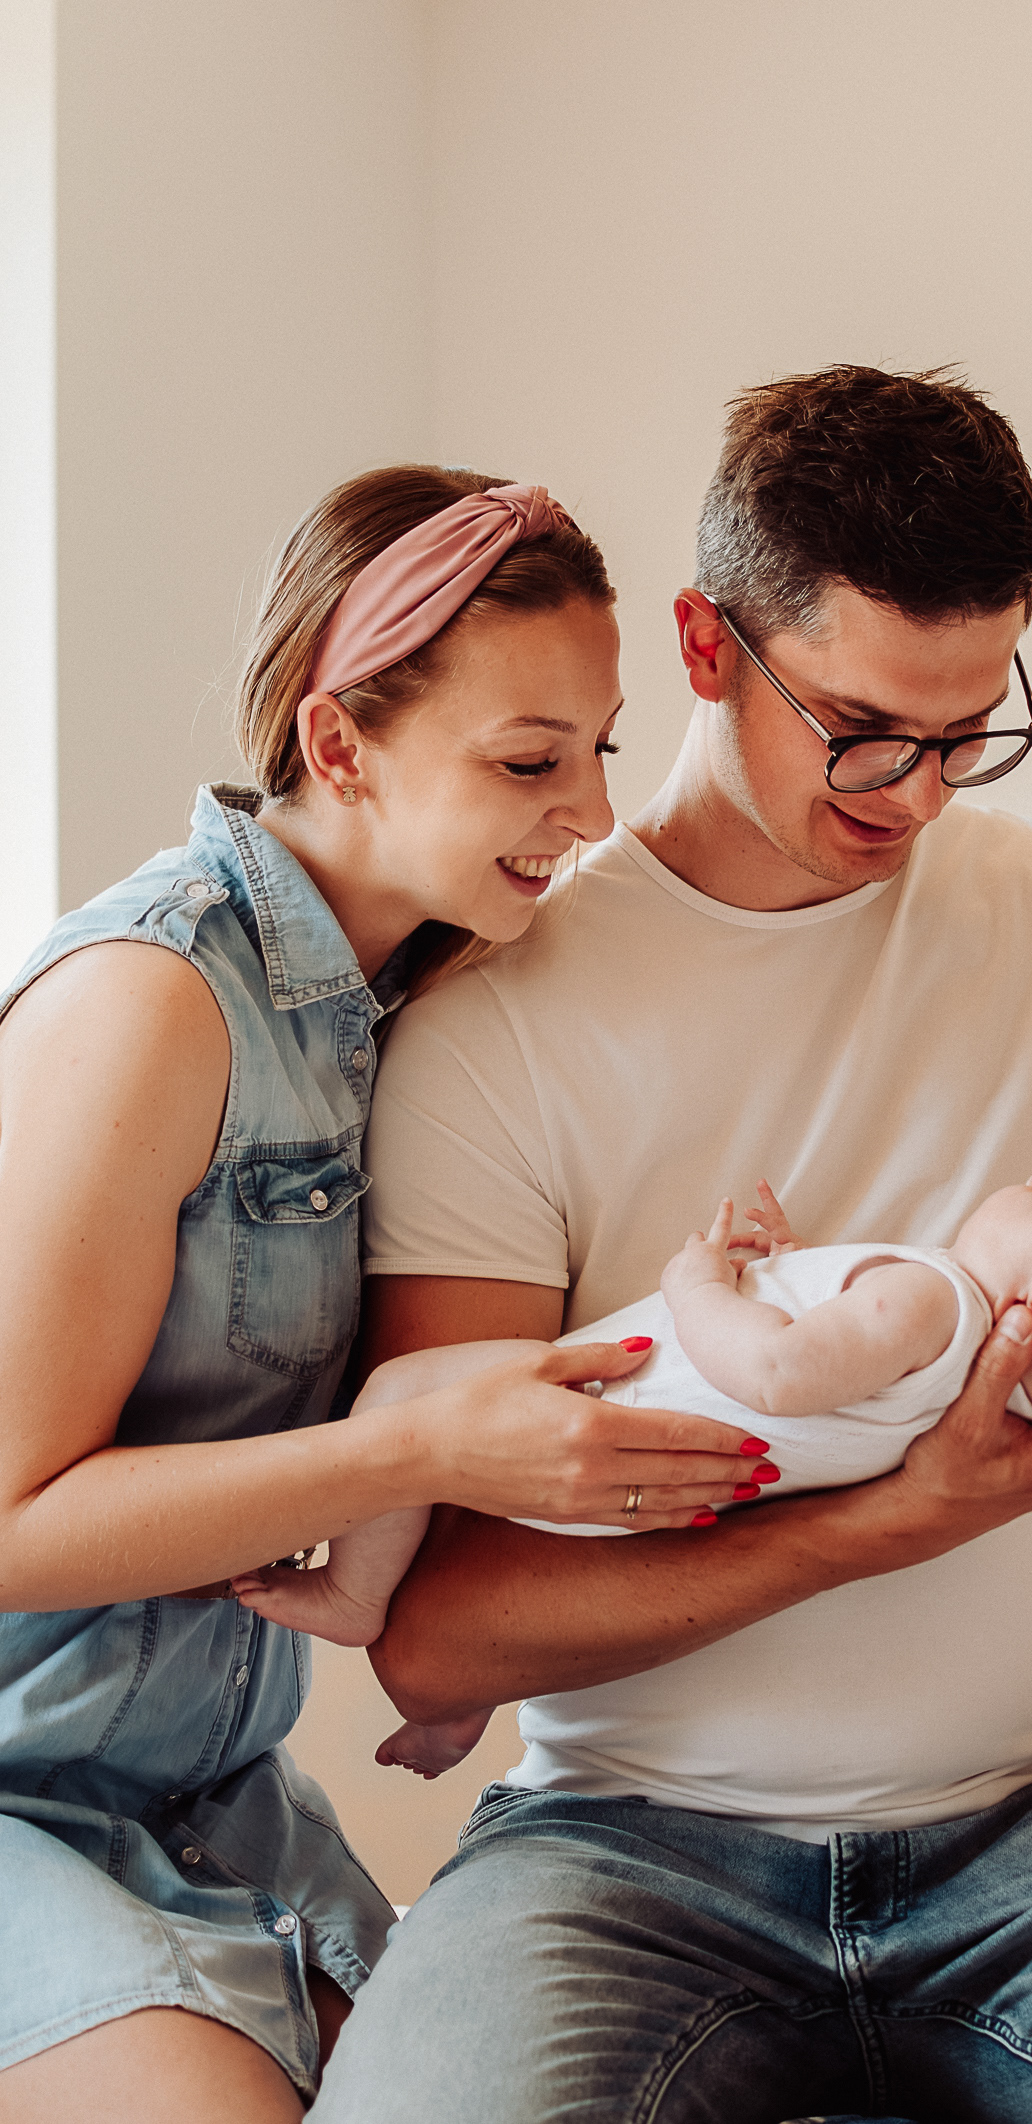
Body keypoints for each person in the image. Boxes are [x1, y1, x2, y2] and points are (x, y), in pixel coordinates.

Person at [314, 370, 1032, 2123]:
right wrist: (895, 1520)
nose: (920, 794)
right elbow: (438, 1634)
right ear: (707, 647)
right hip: (626, 1854)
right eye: (864, 727)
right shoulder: (496, 1015)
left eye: (969, 731)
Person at [0, 467, 766, 2124]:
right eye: (529, 762)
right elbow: (10, 1524)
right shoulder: (150, 1000)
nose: (592, 813)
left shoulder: (420, 998)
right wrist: (417, 1458)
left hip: (210, 1789)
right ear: (339, 744)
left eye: (601, 749)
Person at [240, 1157, 1032, 1781]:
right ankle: (459, 1705)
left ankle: (352, 1594)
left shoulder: (936, 1298)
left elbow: (775, 1372)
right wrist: (794, 1271)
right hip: (640, 1501)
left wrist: (699, 1284)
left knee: (402, 1399)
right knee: (468, 1513)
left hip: (593, 1425)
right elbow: (834, 1368)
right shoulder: (962, 1404)